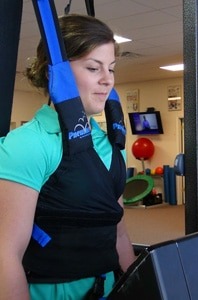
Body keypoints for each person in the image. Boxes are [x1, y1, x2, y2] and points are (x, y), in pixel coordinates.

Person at [0, 14, 135, 299]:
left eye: (111, 69)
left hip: (106, 287)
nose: (107, 80)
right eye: (93, 67)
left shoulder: (110, 143)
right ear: (54, 72)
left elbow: (118, 232)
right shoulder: (28, 145)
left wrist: (137, 289)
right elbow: (5, 254)